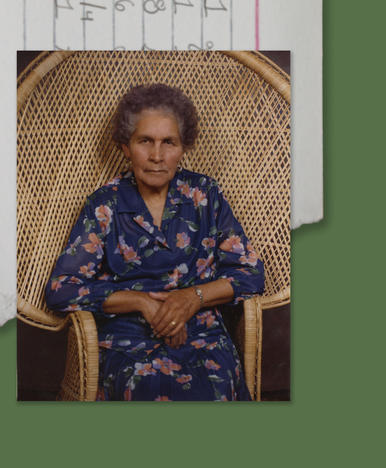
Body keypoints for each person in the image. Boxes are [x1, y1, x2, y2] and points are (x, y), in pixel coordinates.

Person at [45, 83, 264, 401]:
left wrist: (191, 299)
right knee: (148, 387)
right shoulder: (105, 204)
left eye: (169, 142)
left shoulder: (205, 195)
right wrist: (142, 302)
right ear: (125, 146)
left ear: (184, 147)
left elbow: (250, 274)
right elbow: (61, 289)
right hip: (127, 336)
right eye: (145, 141)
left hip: (202, 332)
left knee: (215, 389)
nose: (157, 156)